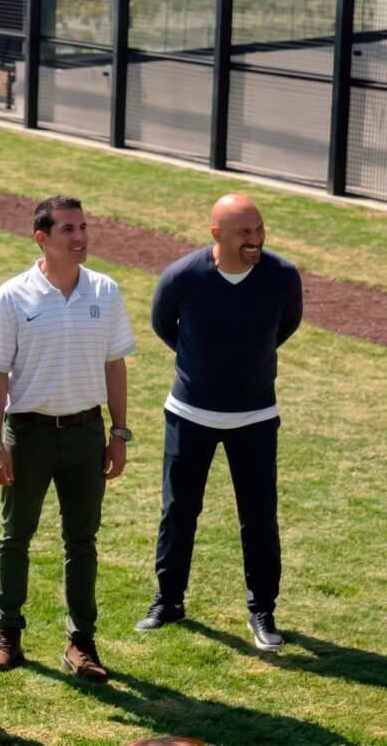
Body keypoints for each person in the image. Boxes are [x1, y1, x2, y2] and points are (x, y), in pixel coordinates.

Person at [134, 193, 303, 652]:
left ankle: (262, 611)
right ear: (217, 235)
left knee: (259, 518)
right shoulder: (182, 277)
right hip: (190, 414)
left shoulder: (283, 276)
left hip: (256, 416)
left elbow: (284, 326)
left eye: (259, 229)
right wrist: (202, 368)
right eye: (244, 233)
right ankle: (168, 601)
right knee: (179, 513)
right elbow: (163, 325)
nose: (255, 240)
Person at [0, 195, 136, 682]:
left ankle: (80, 642)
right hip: (27, 434)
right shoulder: (12, 296)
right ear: (42, 238)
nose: (80, 237)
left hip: (87, 434)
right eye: (68, 229)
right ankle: (8, 634)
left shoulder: (105, 292)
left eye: (84, 227)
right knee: (14, 537)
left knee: (82, 540)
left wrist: (119, 433)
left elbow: (115, 365)